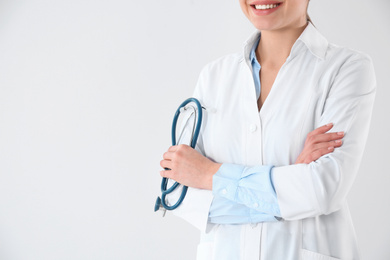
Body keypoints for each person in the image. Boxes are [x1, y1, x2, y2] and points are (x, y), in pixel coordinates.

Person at [159, 0, 376, 259]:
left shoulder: (346, 69)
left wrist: (208, 175)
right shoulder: (213, 77)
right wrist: (290, 184)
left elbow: (322, 190)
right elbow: (176, 196)